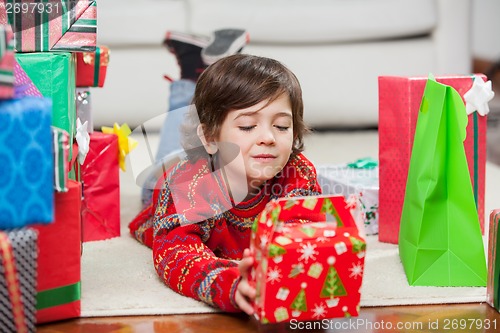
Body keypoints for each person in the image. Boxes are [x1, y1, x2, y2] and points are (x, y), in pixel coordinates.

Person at [129, 54, 322, 314]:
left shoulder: (298, 174)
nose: (268, 137)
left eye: (281, 126)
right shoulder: (185, 187)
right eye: (247, 126)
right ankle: (186, 79)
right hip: (167, 182)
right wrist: (227, 283)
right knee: (162, 161)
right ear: (209, 137)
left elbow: (303, 233)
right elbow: (177, 255)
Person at [141, 29, 250, 206]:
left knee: (158, 186)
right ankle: (205, 76)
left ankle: (197, 73)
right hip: (184, 182)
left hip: (165, 186)